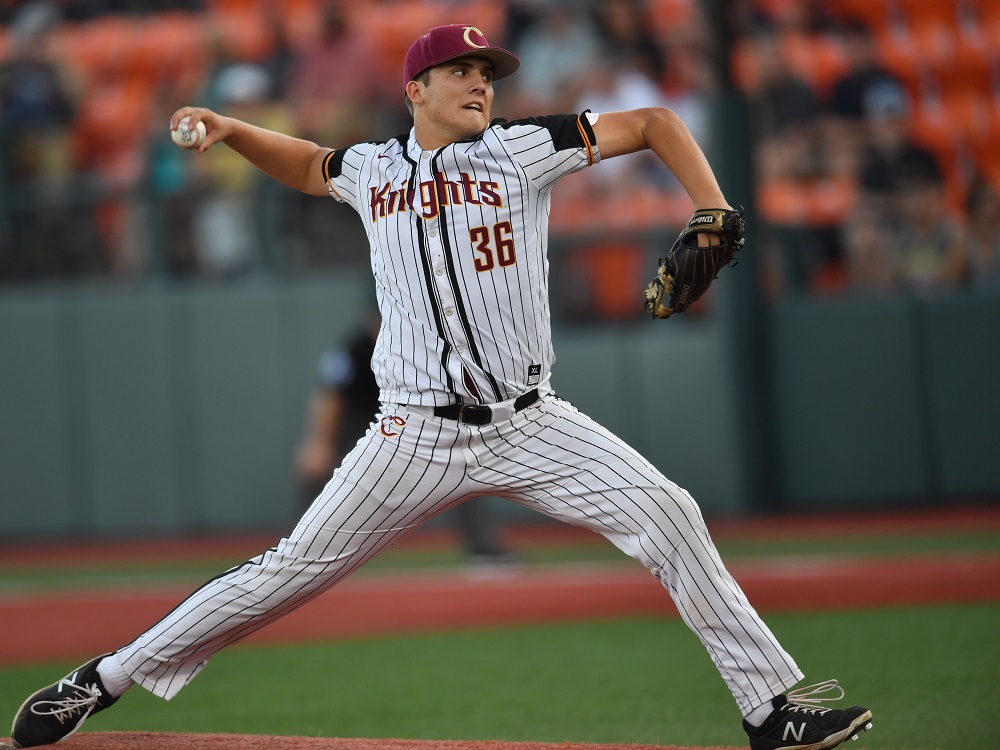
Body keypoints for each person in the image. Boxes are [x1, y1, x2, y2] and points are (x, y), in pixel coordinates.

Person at [9, 23, 874, 750]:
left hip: (533, 423)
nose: (480, 84)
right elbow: (312, 166)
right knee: (285, 574)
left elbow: (651, 121)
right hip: (412, 436)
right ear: (416, 87)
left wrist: (713, 209)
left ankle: (771, 713)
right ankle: (103, 678)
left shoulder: (524, 150)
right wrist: (233, 129)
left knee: (670, 513)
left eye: (486, 73)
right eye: (460, 72)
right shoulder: (376, 170)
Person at [295, 310, 518, 571]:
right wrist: (319, 442)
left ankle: (484, 548)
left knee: (461, 467)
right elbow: (329, 395)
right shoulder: (355, 349)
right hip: (359, 420)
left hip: (411, 418)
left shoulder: (422, 346)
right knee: (316, 470)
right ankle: (299, 553)